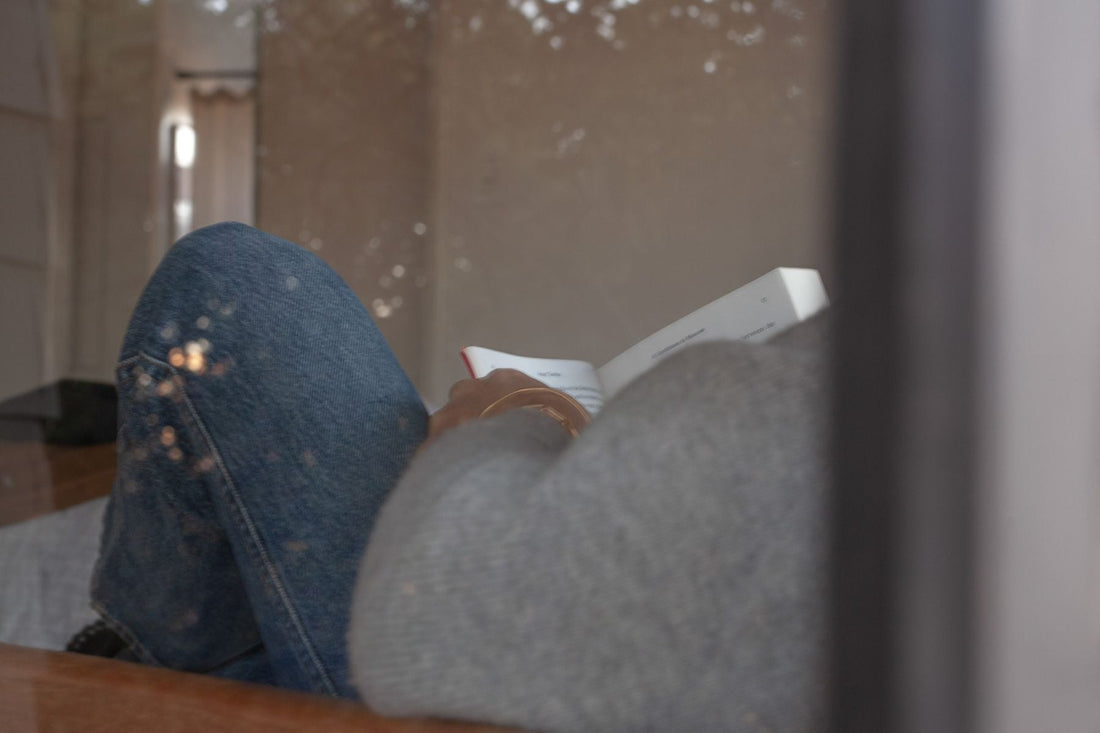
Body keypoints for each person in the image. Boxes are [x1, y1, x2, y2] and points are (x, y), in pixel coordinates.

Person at [70, 222, 828, 732]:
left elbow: (438, 615)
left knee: (234, 278)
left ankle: (124, 680)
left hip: (473, 672)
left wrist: (521, 419)